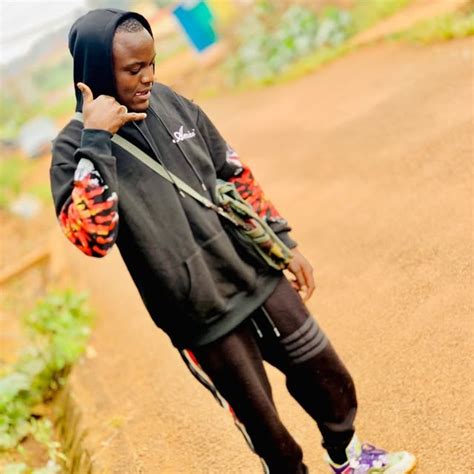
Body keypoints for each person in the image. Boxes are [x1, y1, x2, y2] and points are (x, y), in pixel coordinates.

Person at [50, 8, 416, 474]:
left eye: (152, 63)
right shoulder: (73, 150)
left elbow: (232, 171)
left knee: (325, 372)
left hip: (253, 270)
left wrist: (283, 241)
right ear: (97, 71)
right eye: (134, 69)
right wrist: (97, 139)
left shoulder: (170, 103)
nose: (149, 77)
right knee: (266, 430)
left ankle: (348, 456)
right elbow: (93, 237)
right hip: (198, 312)